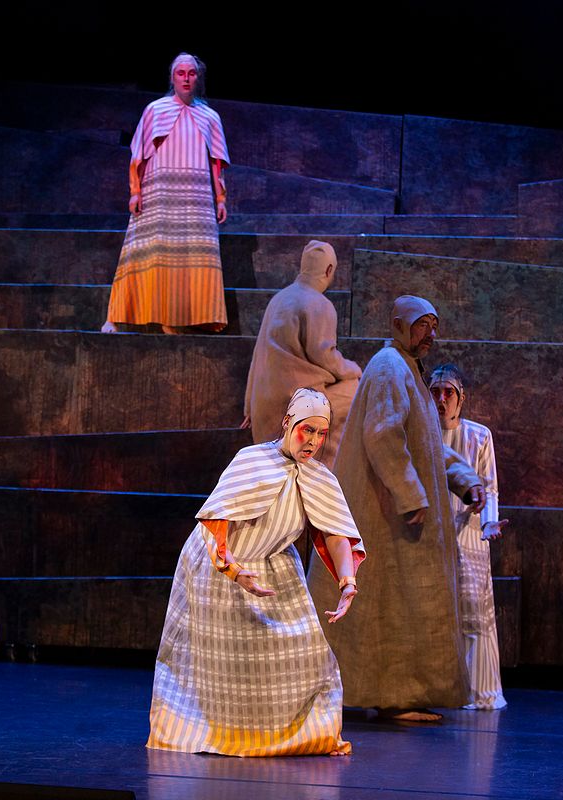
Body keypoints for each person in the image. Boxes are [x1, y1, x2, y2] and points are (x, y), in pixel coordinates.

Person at [148, 389, 366, 756]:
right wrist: (232, 568)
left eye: (320, 433)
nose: (313, 441)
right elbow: (218, 520)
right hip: (219, 563)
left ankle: (302, 733)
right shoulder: (251, 460)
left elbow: (335, 532)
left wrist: (348, 581)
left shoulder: (320, 478)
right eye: (306, 430)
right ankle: (214, 732)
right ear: (288, 423)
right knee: (217, 663)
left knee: (306, 651)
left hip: (274, 565)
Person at [308, 296, 485, 721]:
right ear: (400, 325)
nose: (430, 335)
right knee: (387, 606)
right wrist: (409, 495)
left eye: (434, 326)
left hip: (392, 515)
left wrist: (465, 479)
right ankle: (392, 697)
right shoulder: (390, 367)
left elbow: (424, 443)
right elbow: (383, 434)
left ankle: (392, 694)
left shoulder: (405, 368)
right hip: (383, 514)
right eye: (422, 325)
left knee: (393, 607)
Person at [101, 52, 230, 334]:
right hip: (159, 191)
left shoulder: (210, 116)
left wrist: (220, 198)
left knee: (190, 255)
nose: (186, 78)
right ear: (172, 78)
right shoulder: (156, 110)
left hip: (195, 197)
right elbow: (138, 155)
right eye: (180, 73)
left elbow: (217, 162)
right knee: (144, 250)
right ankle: (117, 315)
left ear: (198, 78)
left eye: (191, 73)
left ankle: (179, 317)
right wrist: (135, 191)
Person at [429, 364, 509, 710]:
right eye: (435, 392)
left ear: (461, 399)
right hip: (430, 535)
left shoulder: (479, 436)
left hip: (469, 533)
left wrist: (489, 523)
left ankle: (480, 691)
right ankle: (437, 689)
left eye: (448, 392)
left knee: (474, 609)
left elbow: (489, 486)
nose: (442, 399)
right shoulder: (420, 435)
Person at [242, 240, 362, 468]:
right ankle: (326, 470)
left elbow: (259, 354)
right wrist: (354, 369)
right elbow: (325, 356)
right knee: (355, 390)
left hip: (264, 408)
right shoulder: (319, 303)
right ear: (329, 270)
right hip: (295, 402)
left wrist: (249, 406)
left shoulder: (278, 299)